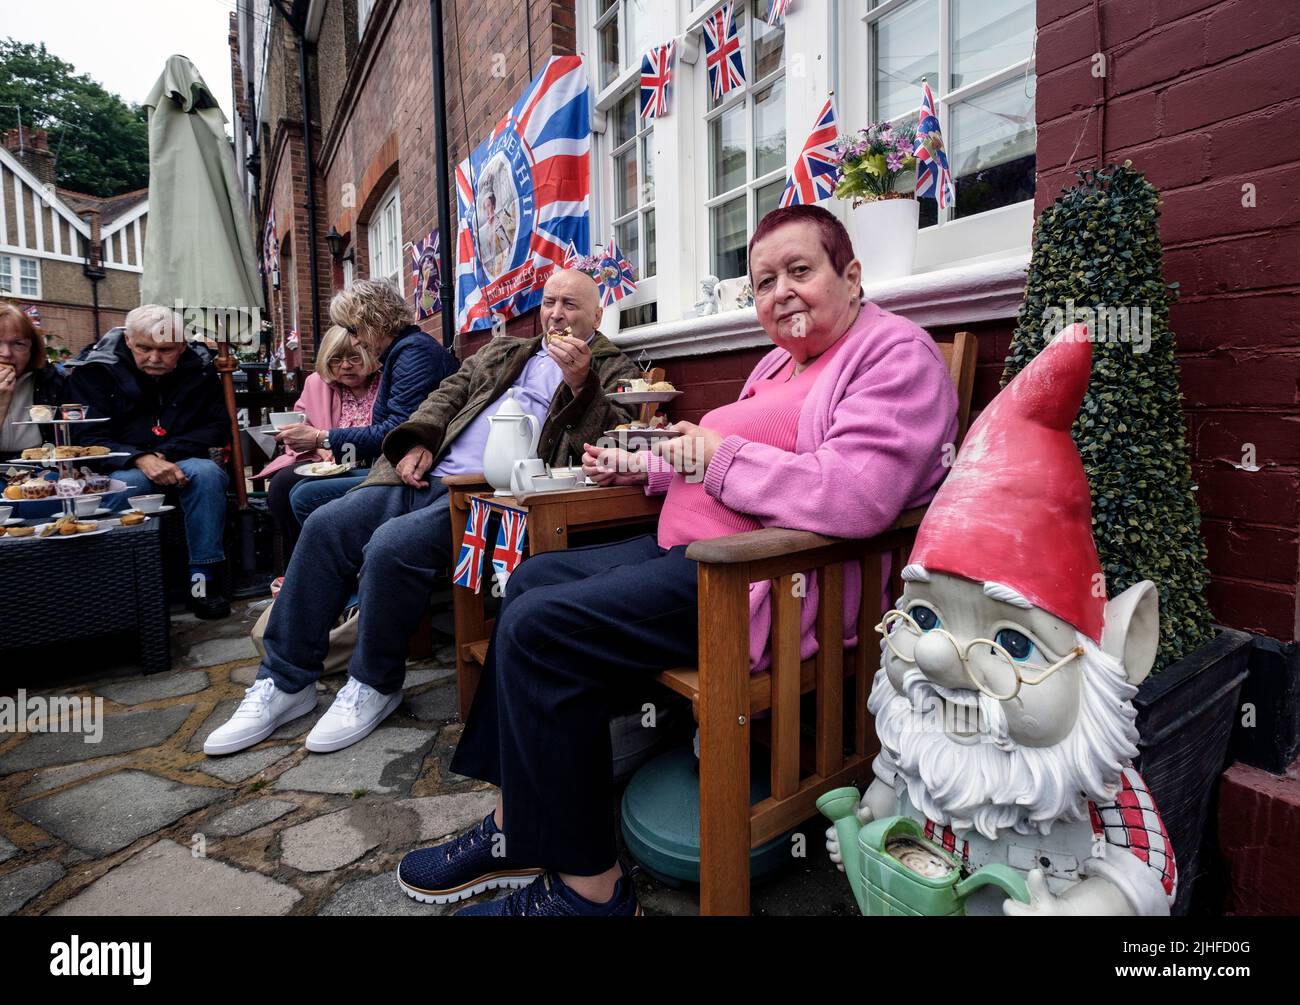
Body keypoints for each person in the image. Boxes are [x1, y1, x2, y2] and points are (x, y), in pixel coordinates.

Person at [395, 204, 961, 916]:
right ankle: (520, 827)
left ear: (850, 277)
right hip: (695, 553)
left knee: (543, 626)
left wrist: (713, 454)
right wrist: (643, 467)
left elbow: (856, 494)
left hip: (759, 582)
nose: (779, 291)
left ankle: (589, 891)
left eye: (799, 270)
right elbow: (713, 460)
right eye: (762, 282)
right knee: (532, 576)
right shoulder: (779, 364)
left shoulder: (894, 355)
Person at [203, 268, 639, 757]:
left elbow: (612, 442)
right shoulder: (505, 350)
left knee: (392, 546)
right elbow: (446, 394)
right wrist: (418, 440)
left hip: (495, 496)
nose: (555, 314)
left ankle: (374, 683)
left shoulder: (614, 368)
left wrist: (582, 385)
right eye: (549, 302)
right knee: (326, 523)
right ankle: (285, 682)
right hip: (428, 474)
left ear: (598, 315)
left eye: (570, 305)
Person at [67, 305, 233, 618]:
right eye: (144, 348)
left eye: (165, 350)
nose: (154, 358)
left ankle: (202, 582)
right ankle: (122, 583)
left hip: (182, 457)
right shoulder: (95, 371)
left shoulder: (199, 368)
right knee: (131, 483)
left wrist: (164, 454)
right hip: (119, 464)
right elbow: (87, 437)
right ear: (128, 340)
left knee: (208, 474)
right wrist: (140, 458)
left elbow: (216, 426)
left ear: (182, 347)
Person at [274, 280, 457, 523]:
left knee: (305, 496)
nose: (355, 341)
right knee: (297, 490)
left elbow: (397, 431)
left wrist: (322, 438)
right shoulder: (406, 351)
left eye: (354, 330)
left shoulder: (414, 353)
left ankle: (348, 556)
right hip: (403, 466)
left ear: (375, 321)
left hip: (423, 475)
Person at [253, 324, 382, 567]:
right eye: (336, 359)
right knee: (282, 485)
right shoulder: (316, 384)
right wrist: (318, 447)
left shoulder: (386, 384)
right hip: (323, 464)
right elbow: (298, 430)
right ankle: (299, 565)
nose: (345, 365)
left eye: (354, 357)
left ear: (370, 354)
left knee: (302, 491)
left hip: (371, 466)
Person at [0, 302, 64, 456]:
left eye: (18, 344)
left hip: (40, 466)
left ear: (31, 349)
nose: (6, 353)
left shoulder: (51, 381)